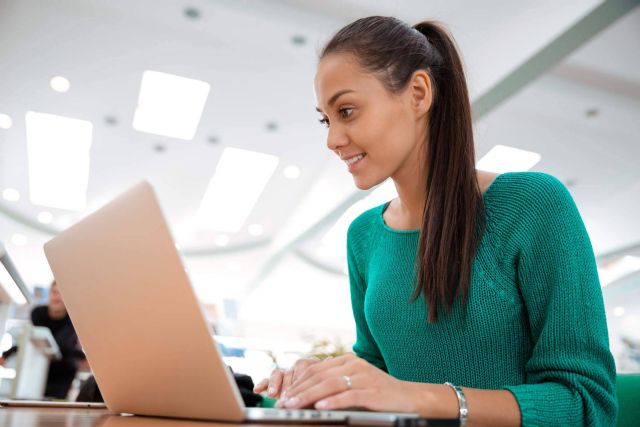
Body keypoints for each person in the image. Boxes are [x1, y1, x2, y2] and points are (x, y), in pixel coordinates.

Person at [254, 16, 617, 427]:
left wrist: (421, 397)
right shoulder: (364, 236)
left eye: (347, 111)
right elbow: (378, 370)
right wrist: (322, 385)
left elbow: (586, 403)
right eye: (326, 119)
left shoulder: (532, 205)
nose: (332, 139)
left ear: (419, 93)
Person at [1, 280, 85, 399]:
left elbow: (61, 344)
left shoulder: (72, 317)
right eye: (55, 292)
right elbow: (32, 339)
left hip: (63, 371)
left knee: (53, 405)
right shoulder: (38, 313)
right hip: (38, 366)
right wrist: (7, 354)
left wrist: (86, 358)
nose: (58, 297)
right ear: (49, 294)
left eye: (62, 293)